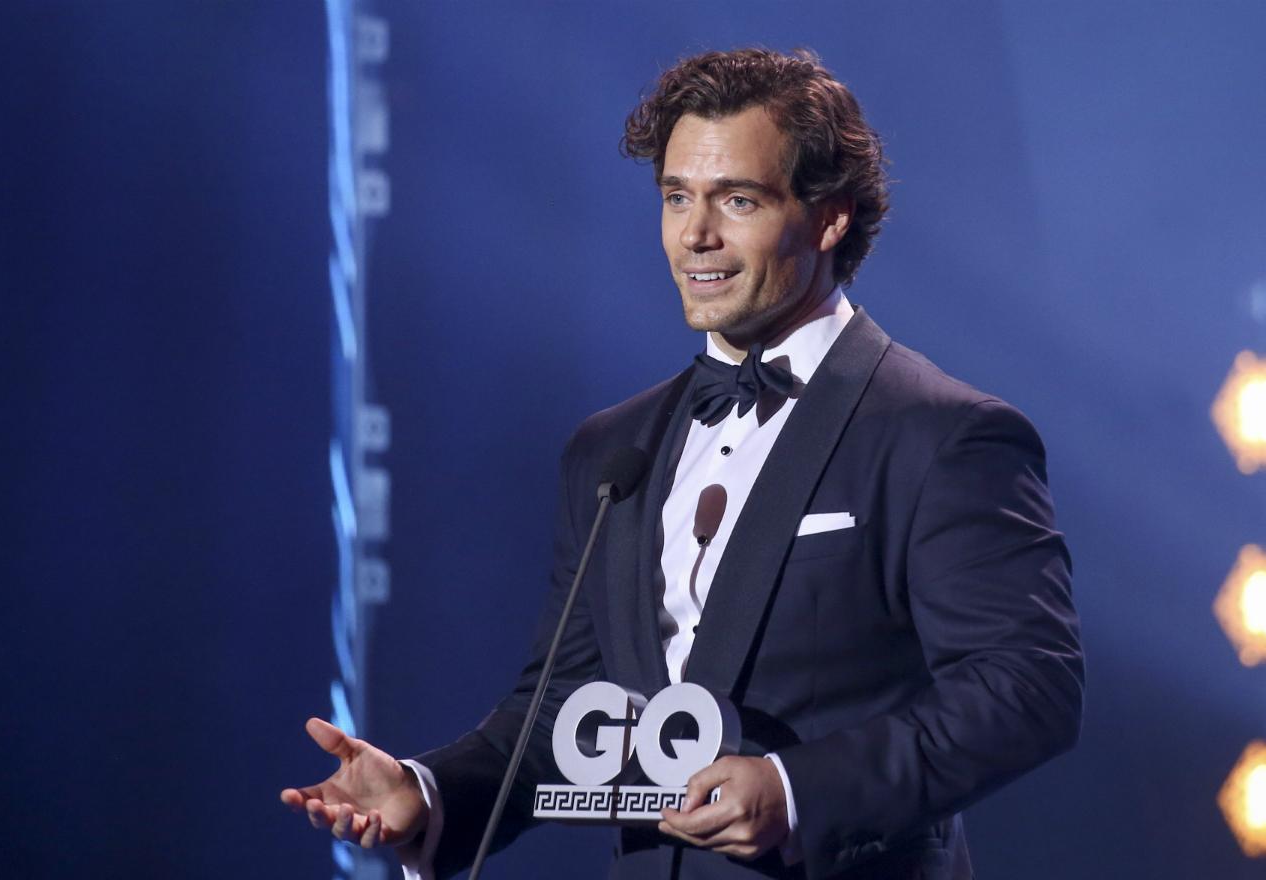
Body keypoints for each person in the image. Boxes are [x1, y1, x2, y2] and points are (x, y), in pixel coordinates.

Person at [281, 47, 1084, 879]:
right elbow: (567, 707)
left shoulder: (943, 433)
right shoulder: (611, 449)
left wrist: (796, 788)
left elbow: (1028, 688)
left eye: (737, 200)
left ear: (831, 216)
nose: (696, 234)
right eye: (676, 198)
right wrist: (431, 793)